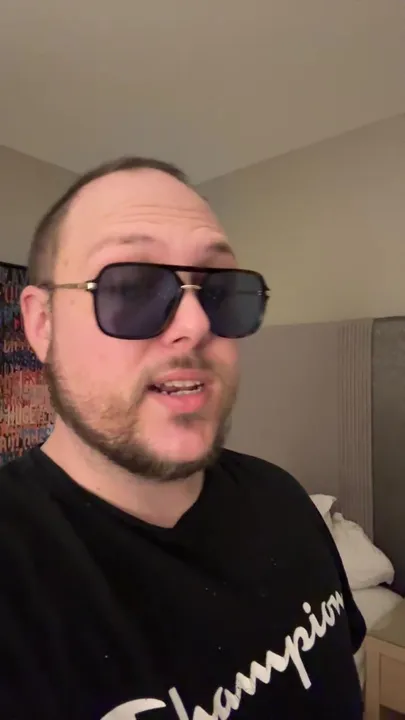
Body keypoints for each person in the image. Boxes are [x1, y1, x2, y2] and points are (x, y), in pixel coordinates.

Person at [0, 157, 365, 720]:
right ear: (42, 324)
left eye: (220, 290)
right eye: (130, 287)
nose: (196, 325)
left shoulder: (284, 498)